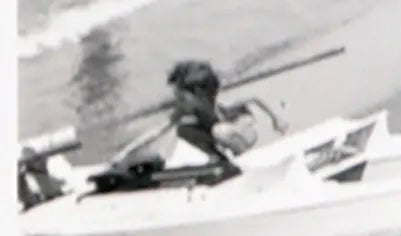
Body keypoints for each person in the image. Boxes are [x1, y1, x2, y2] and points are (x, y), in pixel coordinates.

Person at [108, 60, 283, 174]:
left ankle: (244, 160)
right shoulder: (185, 110)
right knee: (184, 130)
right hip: (222, 134)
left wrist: (276, 120)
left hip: (242, 130)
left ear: (198, 94)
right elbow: (157, 131)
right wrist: (125, 152)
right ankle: (220, 159)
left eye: (181, 96)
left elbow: (254, 99)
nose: (177, 100)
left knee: (219, 131)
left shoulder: (218, 104)